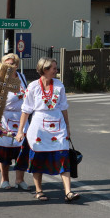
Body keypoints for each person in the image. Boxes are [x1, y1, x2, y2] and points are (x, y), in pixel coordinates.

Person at [15, 57, 80, 202]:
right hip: (39, 126)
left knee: (63, 155)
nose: (56, 71)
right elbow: (26, 110)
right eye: (54, 69)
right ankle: (39, 190)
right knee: (38, 157)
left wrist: (68, 127)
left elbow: (63, 107)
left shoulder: (59, 86)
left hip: (58, 124)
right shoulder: (33, 86)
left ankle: (68, 192)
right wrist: (20, 131)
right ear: (44, 70)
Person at [0, 53, 31, 191]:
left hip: (21, 117)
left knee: (22, 149)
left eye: (13, 64)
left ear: (17, 65)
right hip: (4, 118)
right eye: (7, 64)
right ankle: (4, 179)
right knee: (4, 151)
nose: (10, 66)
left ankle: (20, 179)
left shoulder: (22, 77)